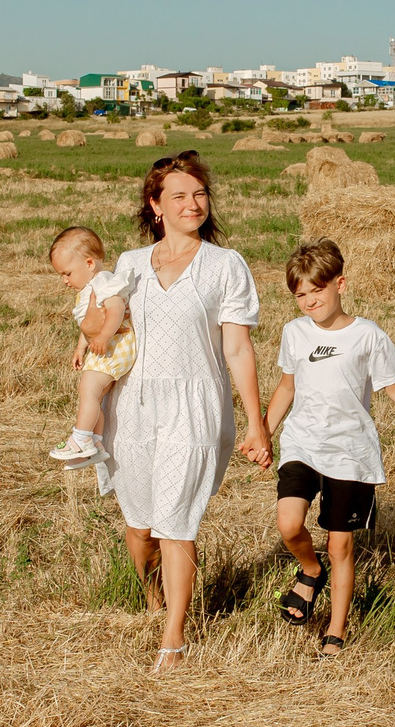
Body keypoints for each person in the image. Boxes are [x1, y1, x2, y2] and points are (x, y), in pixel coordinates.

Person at [87, 152, 270, 671]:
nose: (193, 204)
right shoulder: (128, 265)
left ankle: (174, 637)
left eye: (200, 194)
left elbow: (238, 349)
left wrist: (256, 423)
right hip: (132, 407)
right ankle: (153, 596)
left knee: (176, 522)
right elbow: (102, 331)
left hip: (195, 407)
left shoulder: (226, 265)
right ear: (156, 205)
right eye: (180, 196)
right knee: (141, 528)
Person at [263, 239, 395, 659]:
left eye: (317, 290)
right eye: (301, 294)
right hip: (302, 443)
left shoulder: (367, 334)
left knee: (340, 546)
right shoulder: (295, 332)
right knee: (288, 524)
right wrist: (263, 431)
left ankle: (336, 629)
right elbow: (287, 386)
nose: (310, 301)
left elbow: (392, 387)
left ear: (340, 284)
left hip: (350, 452)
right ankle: (310, 570)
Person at [45, 225, 137, 467]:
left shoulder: (103, 281)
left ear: (89, 264)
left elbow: (116, 309)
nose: (65, 281)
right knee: (94, 396)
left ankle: (81, 438)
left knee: (88, 390)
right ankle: (95, 443)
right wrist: (80, 347)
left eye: (67, 273)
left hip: (113, 347)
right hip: (104, 347)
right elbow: (90, 324)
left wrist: (104, 337)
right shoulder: (91, 287)